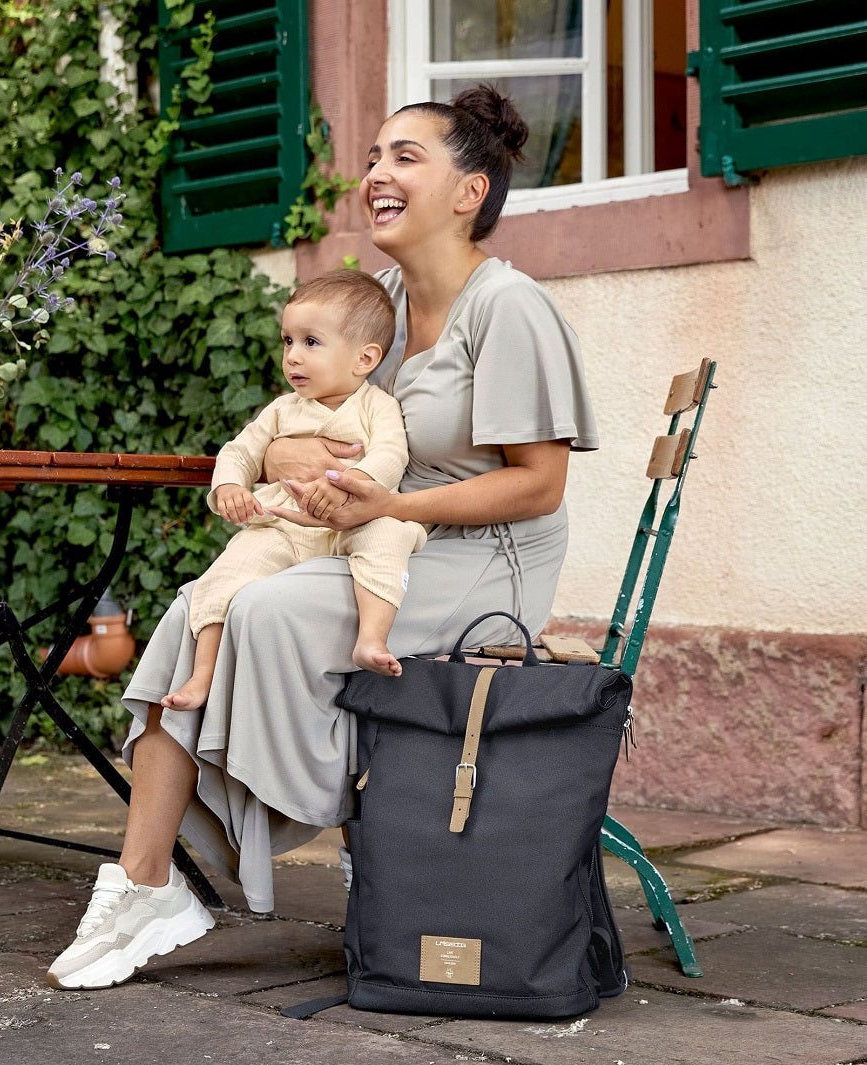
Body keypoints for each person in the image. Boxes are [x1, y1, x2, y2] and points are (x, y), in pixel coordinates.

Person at [47, 83, 599, 992]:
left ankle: (332, 827)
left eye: (405, 158)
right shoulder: (369, 300)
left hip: (479, 561)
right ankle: (144, 884)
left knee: (265, 611)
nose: (377, 173)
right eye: (375, 156)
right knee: (201, 606)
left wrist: (383, 506)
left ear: (470, 192)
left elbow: (538, 487)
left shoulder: (509, 309)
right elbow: (297, 428)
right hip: (364, 537)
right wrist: (309, 462)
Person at [160, 268, 427, 713]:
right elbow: (240, 450)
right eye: (287, 341)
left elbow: (389, 456)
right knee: (232, 568)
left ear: (364, 359)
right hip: (283, 525)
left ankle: (371, 637)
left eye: (311, 342)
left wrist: (346, 486)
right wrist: (229, 484)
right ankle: (202, 673)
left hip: (352, 521)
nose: (293, 357)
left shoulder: (378, 407)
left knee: (390, 537)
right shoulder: (282, 411)